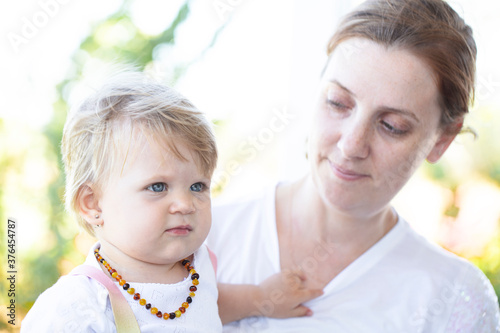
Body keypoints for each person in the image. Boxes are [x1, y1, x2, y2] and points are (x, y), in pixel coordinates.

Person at [206, 0, 500, 331]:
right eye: (338, 103)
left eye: (391, 126)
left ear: (442, 139)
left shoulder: (454, 298)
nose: (351, 145)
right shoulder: (197, 239)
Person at [21, 72, 224, 332]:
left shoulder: (200, 265)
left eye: (198, 186)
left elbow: (214, 304)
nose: (185, 204)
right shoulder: (76, 306)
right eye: (158, 187)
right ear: (93, 204)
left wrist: (262, 299)